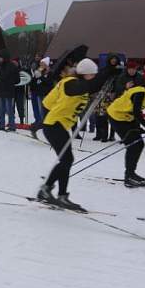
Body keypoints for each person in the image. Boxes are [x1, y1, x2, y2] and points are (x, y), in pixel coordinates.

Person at [36, 57, 110, 211]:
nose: (94, 77)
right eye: (92, 74)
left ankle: (53, 192)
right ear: (84, 73)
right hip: (54, 125)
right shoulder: (71, 83)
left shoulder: (80, 84)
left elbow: (89, 87)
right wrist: (108, 71)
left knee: (66, 160)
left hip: (60, 125)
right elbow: (86, 86)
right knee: (67, 159)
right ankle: (51, 191)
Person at [107, 79, 145, 186]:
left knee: (139, 144)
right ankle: (129, 176)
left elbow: (135, 111)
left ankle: (131, 173)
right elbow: (137, 113)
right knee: (133, 145)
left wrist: (137, 127)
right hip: (117, 116)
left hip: (127, 117)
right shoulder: (140, 93)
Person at [0, 50, 19, 131]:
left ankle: (12, 126)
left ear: (4, 57)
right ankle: (1, 125)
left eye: (0, 57)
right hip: (1, 91)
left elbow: (17, 80)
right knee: (1, 110)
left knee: (9, 110)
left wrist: (9, 81)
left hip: (9, 91)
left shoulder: (12, 66)